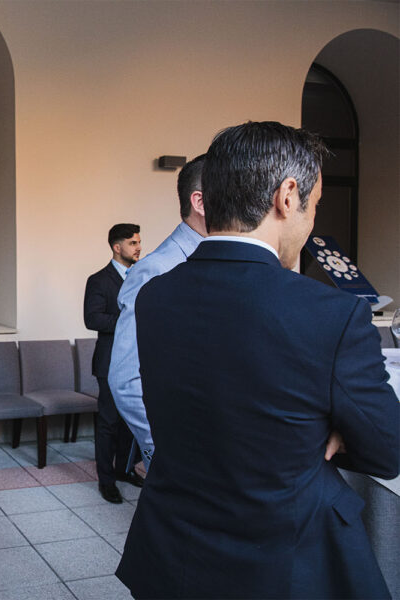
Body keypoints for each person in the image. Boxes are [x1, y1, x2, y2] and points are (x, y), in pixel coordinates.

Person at [116, 121, 399, 599]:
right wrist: (331, 427)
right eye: (316, 205)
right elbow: (387, 450)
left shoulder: (156, 296)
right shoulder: (332, 313)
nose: (312, 223)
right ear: (288, 196)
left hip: (173, 552)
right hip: (286, 563)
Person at [108, 155, 206, 468]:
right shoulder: (157, 270)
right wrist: (162, 453)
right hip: (183, 458)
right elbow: (126, 379)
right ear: (200, 202)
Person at [84, 223, 143, 504]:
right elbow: (92, 319)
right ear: (117, 247)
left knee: (132, 422)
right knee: (108, 423)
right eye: (132, 243)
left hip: (138, 362)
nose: (138, 247)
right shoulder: (98, 280)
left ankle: (125, 469)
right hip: (109, 363)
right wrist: (129, 319)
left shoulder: (143, 277)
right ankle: (106, 481)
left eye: (139, 242)